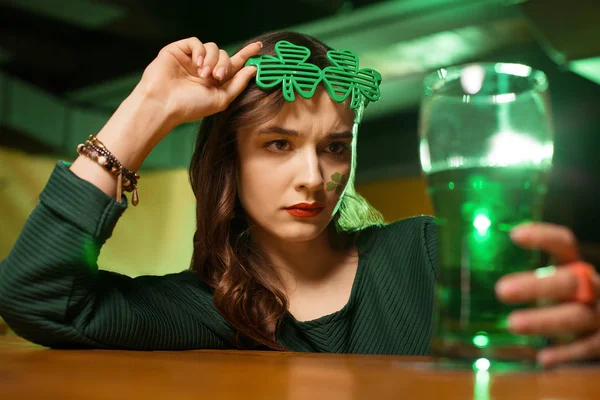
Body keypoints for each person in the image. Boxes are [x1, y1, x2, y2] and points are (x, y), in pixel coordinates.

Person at [0, 31, 598, 368]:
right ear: (228, 160)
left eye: (336, 147)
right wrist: (147, 109)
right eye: (279, 144)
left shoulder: (428, 251)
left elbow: (548, 335)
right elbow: (36, 297)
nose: (314, 176)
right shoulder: (201, 311)